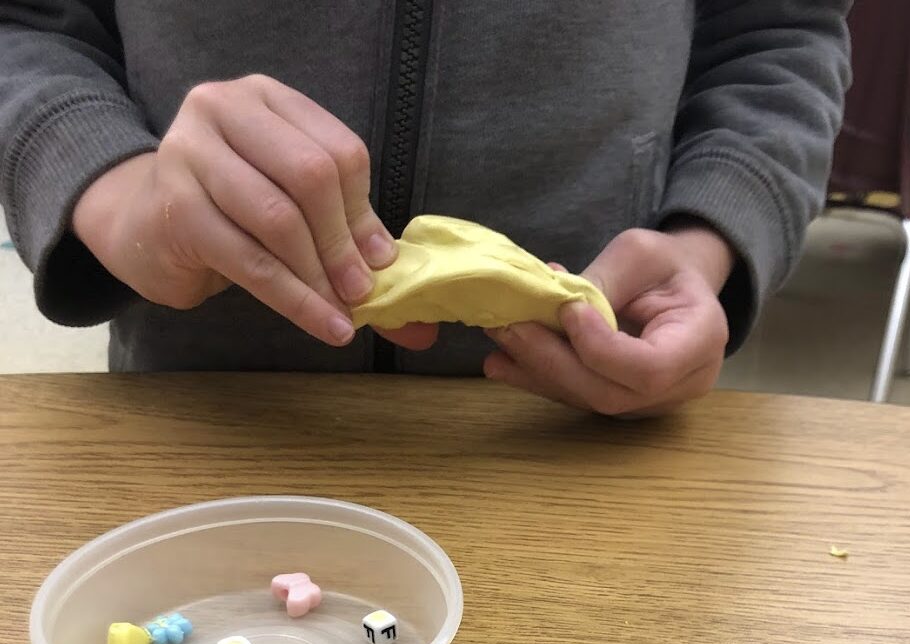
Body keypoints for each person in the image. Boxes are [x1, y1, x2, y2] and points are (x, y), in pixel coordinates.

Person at [0, 2, 851, 416]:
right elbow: (26, 25)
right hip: (204, 428)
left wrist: (707, 240)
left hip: (578, 446)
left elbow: (777, 31)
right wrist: (116, 193)